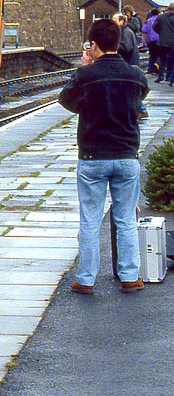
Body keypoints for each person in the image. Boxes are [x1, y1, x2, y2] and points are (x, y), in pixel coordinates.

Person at [58, 18, 148, 294]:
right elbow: (138, 100)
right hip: (126, 156)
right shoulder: (136, 74)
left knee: (90, 221)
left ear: (93, 45)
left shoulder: (86, 75)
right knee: (125, 220)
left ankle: (85, 279)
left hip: (93, 157)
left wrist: (83, 71)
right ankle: (130, 276)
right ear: (118, 42)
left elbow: (67, 101)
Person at [114, 13, 148, 118]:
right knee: (128, 88)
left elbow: (126, 47)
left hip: (129, 63)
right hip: (127, 63)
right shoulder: (123, 32)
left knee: (131, 88)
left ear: (122, 21)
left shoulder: (126, 32)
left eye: (115, 21)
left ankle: (142, 110)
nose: (113, 23)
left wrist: (114, 47)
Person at [156, 3, 174, 84]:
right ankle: (169, 76)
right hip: (172, 42)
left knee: (162, 59)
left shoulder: (161, 17)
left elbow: (154, 26)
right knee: (172, 59)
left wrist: (160, 32)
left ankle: (160, 76)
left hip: (162, 41)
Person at [143, 8, 161, 73]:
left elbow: (143, 30)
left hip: (150, 41)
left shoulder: (148, 21)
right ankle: (158, 68)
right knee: (160, 54)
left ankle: (152, 70)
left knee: (152, 55)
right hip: (159, 40)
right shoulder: (160, 20)